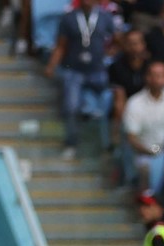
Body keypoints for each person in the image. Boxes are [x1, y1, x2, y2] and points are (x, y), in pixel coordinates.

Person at [43, 0, 116, 160]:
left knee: (107, 106)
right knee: (70, 107)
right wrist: (51, 65)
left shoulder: (105, 17)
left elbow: (117, 40)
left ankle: (106, 145)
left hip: (98, 69)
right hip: (75, 69)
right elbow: (61, 45)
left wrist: (109, 55)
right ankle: (71, 143)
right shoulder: (69, 18)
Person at [122, 60, 164, 195]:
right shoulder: (135, 103)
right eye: (154, 75)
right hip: (146, 152)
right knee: (146, 167)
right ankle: (147, 203)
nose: (158, 79)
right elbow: (131, 137)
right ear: (146, 77)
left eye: (162, 75)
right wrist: (152, 152)